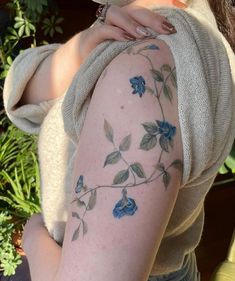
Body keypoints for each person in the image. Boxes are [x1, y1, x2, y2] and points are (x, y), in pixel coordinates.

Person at [3, 0, 235, 281]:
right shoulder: (138, 18)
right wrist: (86, 45)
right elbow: (23, 97)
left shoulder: (144, 69)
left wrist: (34, 236)